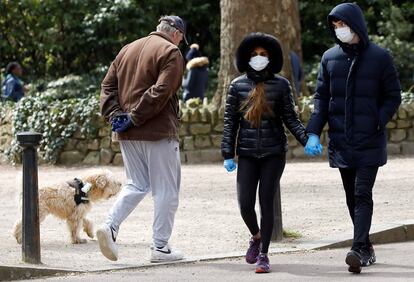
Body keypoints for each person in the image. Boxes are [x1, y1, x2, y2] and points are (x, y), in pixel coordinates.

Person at [304, 3, 401, 274]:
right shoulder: (329, 57)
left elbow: (393, 95)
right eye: (335, 27)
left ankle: (358, 248)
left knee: (361, 193)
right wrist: (313, 131)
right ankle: (366, 246)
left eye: (342, 25)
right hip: (341, 140)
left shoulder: (380, 57)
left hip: (370, 139)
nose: (339, 31)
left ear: (355, 25)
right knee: (350, 196)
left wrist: (377, 120)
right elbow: (322, 98)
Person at [98, 15, 187, 263]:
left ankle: (110, 226)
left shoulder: (127, 49)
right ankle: (160, 247)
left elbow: (107, 87)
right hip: (157, 130)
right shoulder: (171, 52)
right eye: (181, 39)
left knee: (136, 184)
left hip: (127, 133)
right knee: (166, 190)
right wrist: (135, 117)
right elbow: (161, 91)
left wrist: (116, 115)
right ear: (177, 33)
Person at [221, 32, 311, 273]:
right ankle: (256, 236)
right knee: (245, 205)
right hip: (247, 153)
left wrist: (306, 139)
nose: (258, 58)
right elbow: (230, 122)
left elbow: (290, 119)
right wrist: (227, 153)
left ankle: (264, 254)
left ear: (271, 58)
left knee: (266, 202)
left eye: (263, 54)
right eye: (254, 55)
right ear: (246, 58)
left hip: (273, 153)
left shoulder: (281, 85)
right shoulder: (237, 86)